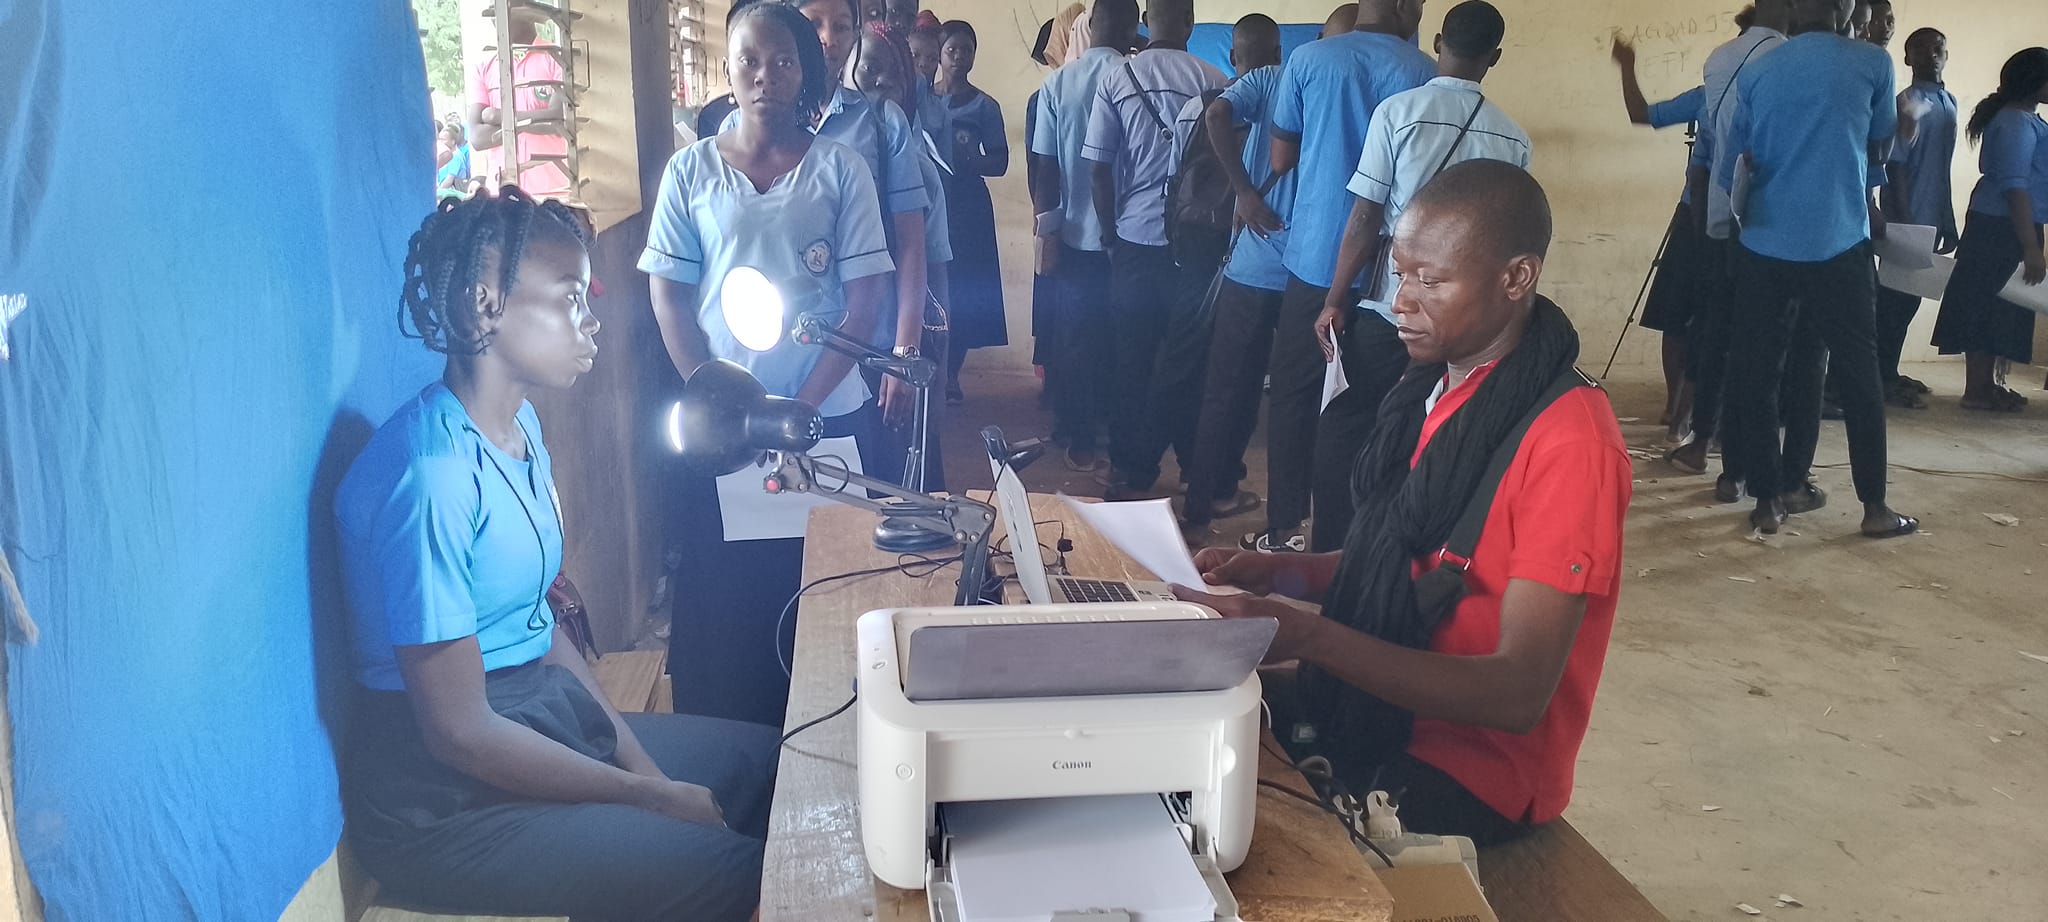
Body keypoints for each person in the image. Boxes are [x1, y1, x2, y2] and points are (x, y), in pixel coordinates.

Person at [338, 189, 776, 922]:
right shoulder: (431, 476)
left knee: (769, 764)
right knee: (749, 877)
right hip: (445, 799)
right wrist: (651, 794)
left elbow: (539, 632)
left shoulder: (521, 429)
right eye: (570, 298)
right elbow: (459, 733)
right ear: (485, 305)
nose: (591, 321)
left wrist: (639, 763)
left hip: (536, 713)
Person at [1174, 161, 1630, 845]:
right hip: (1384, 706)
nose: (1401, 300)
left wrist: (1307, 634)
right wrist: (1277, 577)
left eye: (1431, 280)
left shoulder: (1570, 442)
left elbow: (1517, 692)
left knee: (1229, 822)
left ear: (1516, 277)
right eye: (1399, 272)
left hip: (1473, 769)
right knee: (1177, 717)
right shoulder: (1440, 391)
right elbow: (1410, 567)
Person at [641, 1, 894, 724]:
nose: (765, 76)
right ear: (726, 67)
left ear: (805, 70)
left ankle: (837, 719)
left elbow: (865, 300)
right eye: (750, 59)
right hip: (725, 430)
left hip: (826, 418)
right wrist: (722, 403)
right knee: (731, 587)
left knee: (828, 575)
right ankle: (737, 735)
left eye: (783, 61)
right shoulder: (690, 173)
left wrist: (798, 412)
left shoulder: (839, 169)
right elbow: (670, 299)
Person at [1316, 0, 1531, 553]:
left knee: (1349, 421)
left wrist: (1335, 298)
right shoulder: (1513, 139)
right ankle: (1403, 550)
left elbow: (1365, 217)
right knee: (1429, 432)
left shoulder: (1398, 112)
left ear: (1438, 43)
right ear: (1496, 57)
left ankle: (1334, 550)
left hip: (1395, 304)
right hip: (1464, 321)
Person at [1717, 0, 1916, 538]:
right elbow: (1877, 147)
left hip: (1765, 241)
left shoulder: (1757, 69)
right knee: (1858, 375)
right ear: (1844, 8)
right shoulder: (1871, 63)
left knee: (1758, 371)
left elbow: (1733, 164)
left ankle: (1767, 501)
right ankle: (1874, 508)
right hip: (1838, 239)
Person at [1255, 0, 1433, 553]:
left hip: (1315, 254)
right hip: (1387, 268)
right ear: (1406, 7)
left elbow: (1281, 157)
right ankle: (1356, 532)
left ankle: (1285, 526)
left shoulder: (1309, 59)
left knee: (1294, 392)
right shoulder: (1424, 71)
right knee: (1372, 402)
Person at [1085, 0, 1227, 500]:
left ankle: (1129, 467)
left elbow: (1098, 167)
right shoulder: (1215, 79)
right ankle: (1193, 468)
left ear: (1148, 19)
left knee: (1132, 357)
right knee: (1189, 360)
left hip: (1135, 237)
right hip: (1197, 243)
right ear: (1189, 23)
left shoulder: (1118, 78)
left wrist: (1108, 233)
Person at [1180, 13, 1289, 544]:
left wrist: (1244, 191)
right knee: (1280, 396)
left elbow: (1216, 114)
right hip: (1306, 272)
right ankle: (1281, 525)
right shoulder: (1280, 78)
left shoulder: (1260, 83)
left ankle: (1200, 508)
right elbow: (1218, 114)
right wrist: (1246, 192)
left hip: (1250, 264)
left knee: (1225, 387)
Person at [1684, 0, 1788, 503]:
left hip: (1725, 216)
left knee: (1717, 334)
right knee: (1765, 355)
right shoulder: (1789, 61)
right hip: (1773, 229)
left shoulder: (1720, 60)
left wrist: (1708, 219)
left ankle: (1706, 444)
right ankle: (1761, 478)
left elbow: (1711, 151)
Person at [1030, 0, 1132, 472]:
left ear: (1088, 27)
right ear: (1133, 27)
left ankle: (1077, 433)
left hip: (1073, 234)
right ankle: (1117, 426)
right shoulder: (1137, 79)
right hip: (1131, 238)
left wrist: (1047, 228)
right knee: (1121, 336)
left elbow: (1045, 167)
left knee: (1073, 338)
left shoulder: (1058, 84)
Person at [853, 21, 953, 488]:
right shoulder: (827, 148)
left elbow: (934, 268)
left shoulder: (918, 160)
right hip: (847, 338)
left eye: (892, 73)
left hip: (896, 339)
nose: (878, 81)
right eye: (867, 68)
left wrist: (924, 363)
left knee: (903, 470)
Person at [1933, 48, 2048, 412]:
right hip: (2003, 226)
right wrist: (2031, 248)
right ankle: (1978, 389)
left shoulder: (2026, 118)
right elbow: (2015, 186)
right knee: (1987, 305)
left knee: (2000, 305)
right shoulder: (2015, 122)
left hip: (2007, 224)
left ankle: (1987, 385)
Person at [1613, 37, 1708, 445]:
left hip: (1723, 217)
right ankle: (1676, 406)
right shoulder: (1707, 96)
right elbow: (1642, 114)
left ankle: (1685, 410)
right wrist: (1627, 67)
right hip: (1701, 217)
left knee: (1693, 317)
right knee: (1678, 312)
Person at [1876, 28, 1959, 408]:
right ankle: (1880, 377)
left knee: (1909, 300)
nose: (1932, 55)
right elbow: (1897, 167)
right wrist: (1908, 222)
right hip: (1908, 216)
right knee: (1894, 300)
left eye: (1938, 48)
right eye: (1920, 50)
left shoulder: (1948, 102)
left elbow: (1941, 167)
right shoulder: (1907, 102)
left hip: (1931, 213)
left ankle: (1887, 371)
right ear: (1907, 59)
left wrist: (1948, 217)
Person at [929, 20, 1009, 404]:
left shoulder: (985, 106)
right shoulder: (923, 100)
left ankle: (951, 375)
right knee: (932, 286)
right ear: (939, 55)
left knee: (962, 290)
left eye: (967, 50)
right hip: (930, 204)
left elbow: (1001, 162)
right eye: (952, 50)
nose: (960, 57)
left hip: (968, 208)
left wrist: (970, 161)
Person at [467, 12, 572, 198]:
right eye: (493, 10)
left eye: (503, 8)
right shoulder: (484, 68)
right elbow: (477, 138)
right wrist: (538, 120)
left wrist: (497, 117)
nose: (496, 18)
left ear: (526, 11)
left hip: (553, 193)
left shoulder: (557, 59)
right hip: (501, 194)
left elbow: (560, 119)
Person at [435, 123, 472, 197]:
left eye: (443, 140)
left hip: (454, 194)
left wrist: (437, 194)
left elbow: (449, 180)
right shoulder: (444, 155)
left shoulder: (455, 156)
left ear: (453, 141)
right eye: (439, 139)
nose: (440, 142)